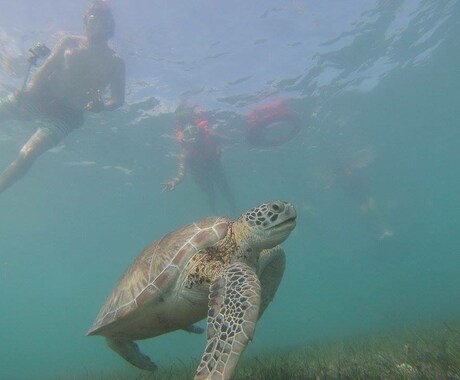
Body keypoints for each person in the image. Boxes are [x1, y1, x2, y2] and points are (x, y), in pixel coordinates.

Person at [0, 0, 125, 194]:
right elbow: (45, 68)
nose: (96, 26)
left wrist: (102, 106)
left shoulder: (116, 62)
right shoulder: (68, 41)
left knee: (28, 154)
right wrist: (30, 90)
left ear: (110, 27)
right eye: (93, 20)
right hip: (41, 96)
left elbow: (118, 100)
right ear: (86, 22)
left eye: (102, 22)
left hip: (67, 114)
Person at [162, 106, 237, 214]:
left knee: (224, 188)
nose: (193, 137)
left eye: (193, 130)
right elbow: (181, 173)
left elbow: (231, 140)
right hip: (198, 171)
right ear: (185, 136)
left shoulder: (211, 135)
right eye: (188, 134)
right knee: (209, 193)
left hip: (214, 165)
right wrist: (174, 182)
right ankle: (215, 214)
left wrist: (221, 143)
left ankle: (234, 209)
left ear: (198, 128)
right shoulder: (186, 151)